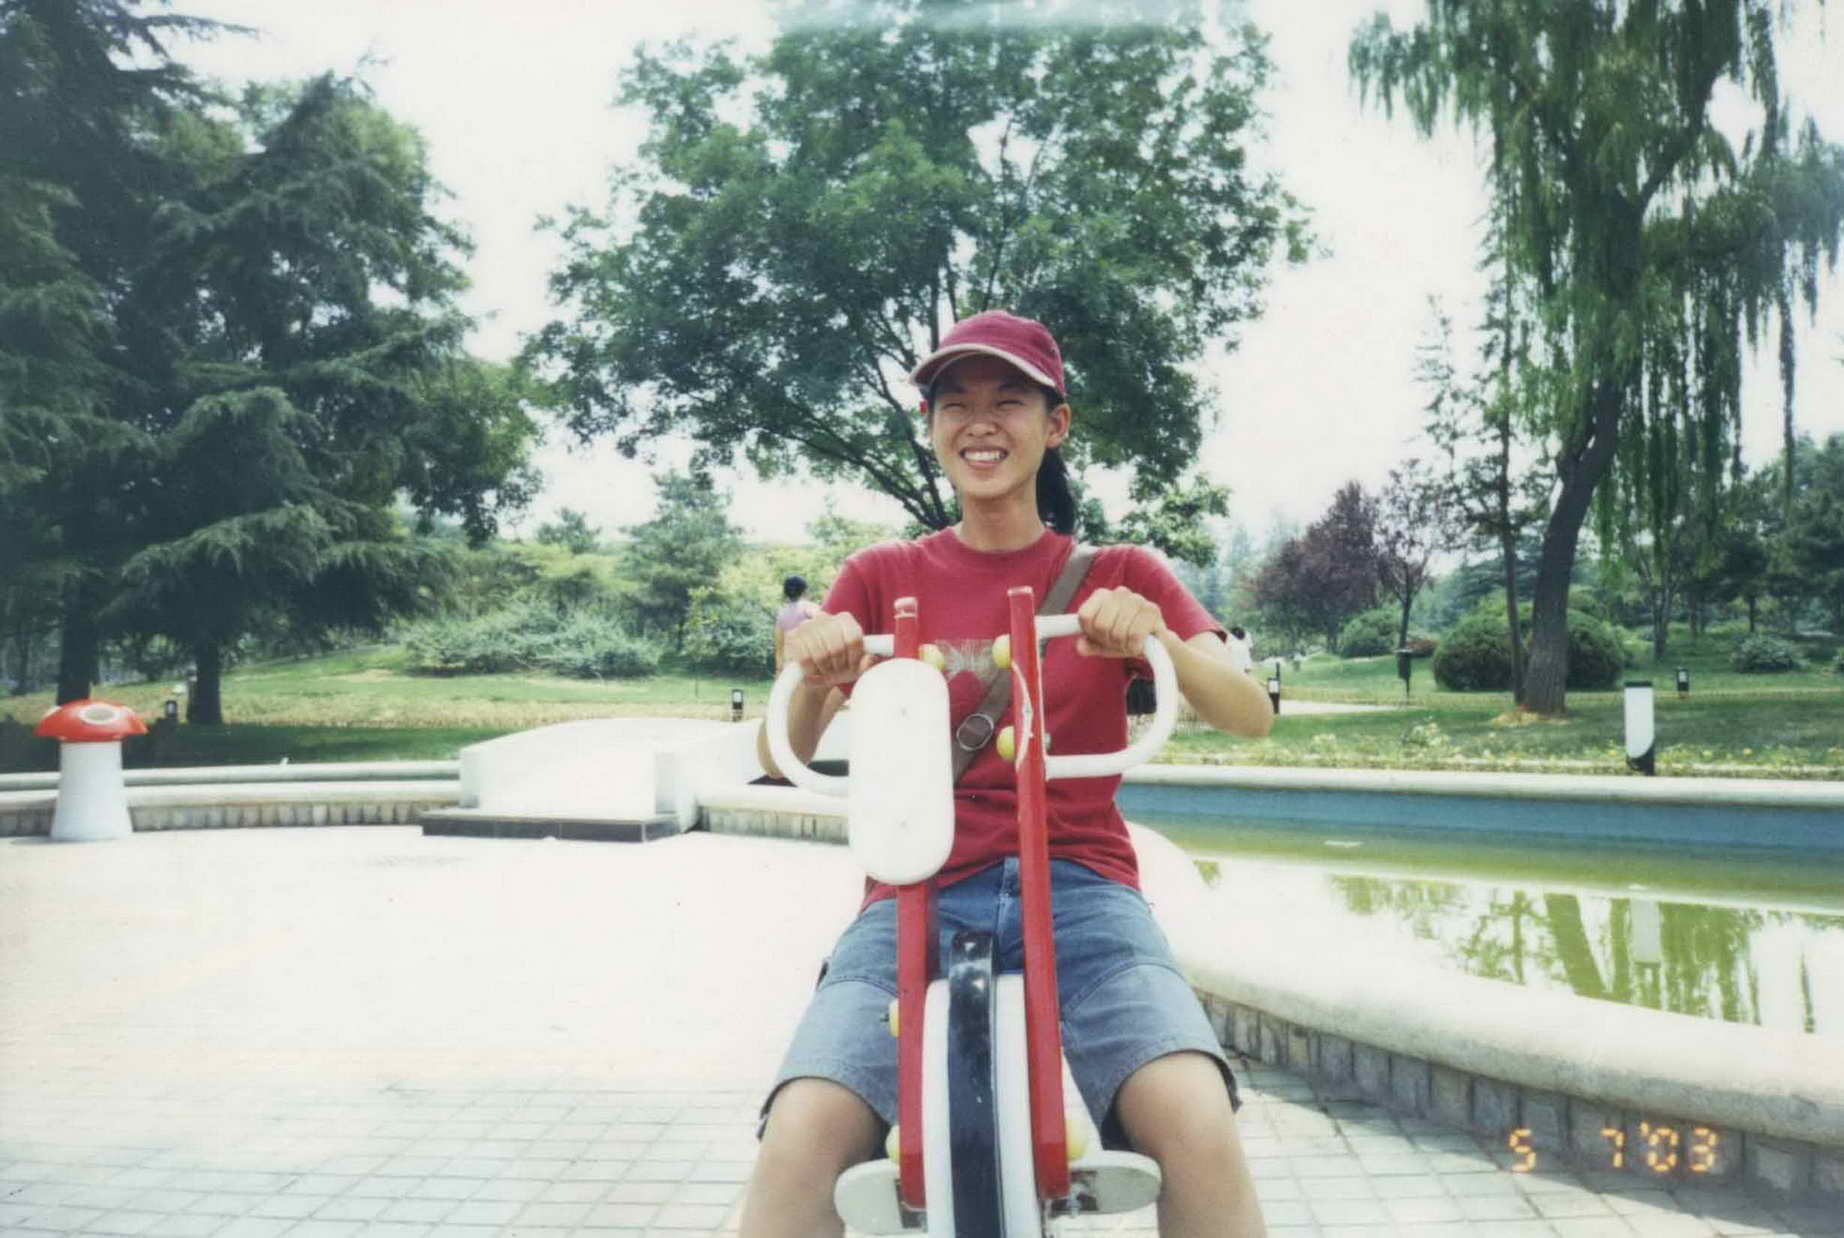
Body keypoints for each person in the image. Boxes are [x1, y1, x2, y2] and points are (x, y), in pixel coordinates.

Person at [742, 310, 1273, 1238]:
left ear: (1054, 424)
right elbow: (774, 755)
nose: (979, 423)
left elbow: (1249, 712)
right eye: (955, 404)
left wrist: (1153, 635)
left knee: (1196, 1120)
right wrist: (818, 668)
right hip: (914, 884)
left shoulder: (1117, 571)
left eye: (1009, 401)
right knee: (798, 1142)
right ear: (932, 428)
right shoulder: (879, 574)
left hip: (1080, 884)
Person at [772, 575, 822, 673]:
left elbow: (779, 648)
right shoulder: (811, 607)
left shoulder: (781, 614)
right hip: (813, 664)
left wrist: (778, 670)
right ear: (805, 591)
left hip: (790, 666)